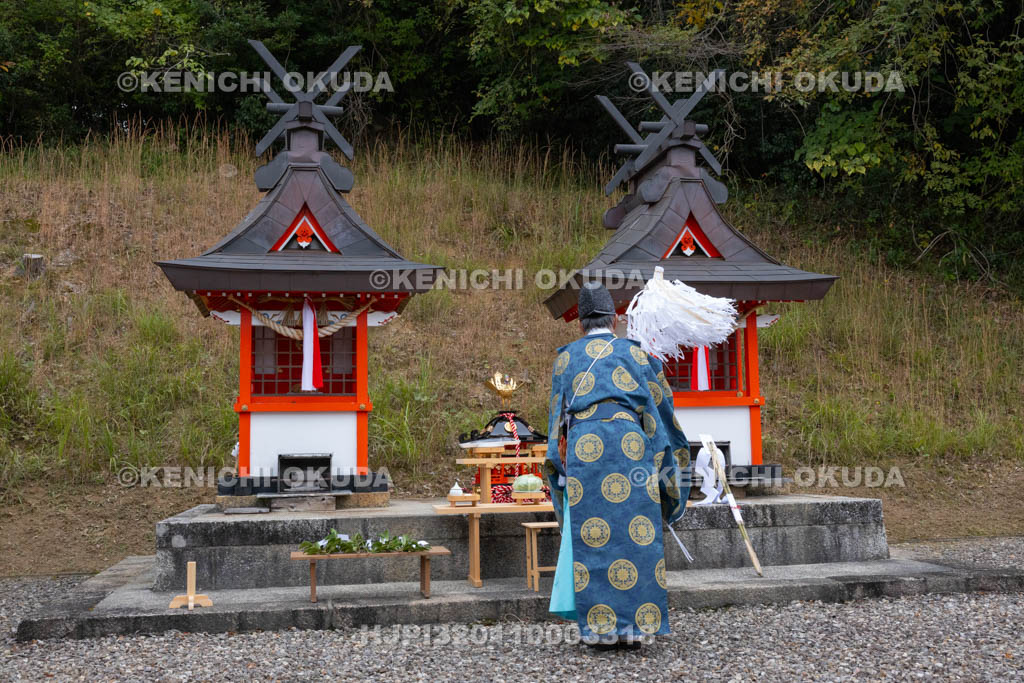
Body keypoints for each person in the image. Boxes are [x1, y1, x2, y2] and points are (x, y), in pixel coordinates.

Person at [543, 281, 690, 648]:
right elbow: (661, 415)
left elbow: (557, 419)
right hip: (631, 449)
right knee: (636, 536)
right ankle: (637, 628)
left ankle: (600, 631)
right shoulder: (638, 356)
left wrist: (559, 466)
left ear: (579, 323)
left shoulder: (566, 358)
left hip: (584, 450)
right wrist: (666, 465)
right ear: (614, 318)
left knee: (593, 536)